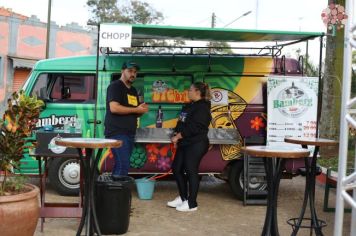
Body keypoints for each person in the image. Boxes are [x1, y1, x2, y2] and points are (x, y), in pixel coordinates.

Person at [168, 82, 212, 212]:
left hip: (197, 143)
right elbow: (181, 122)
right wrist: (176, 134)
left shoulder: (203, 108)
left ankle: (192, 204)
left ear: (197, 92)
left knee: (191, 170)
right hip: (185, 142)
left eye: (190, 90)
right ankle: (183, 198)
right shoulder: (189, 105)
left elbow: (195, 128)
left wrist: (178, 136)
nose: (188, 91)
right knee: (176, 169)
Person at [104, 61, 148, 176]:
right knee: (123, 164)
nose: (133, 74)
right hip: (117, 132)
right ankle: (117, 191)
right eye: (130, 71)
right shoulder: (115, 86)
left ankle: (115, 190)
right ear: (122, 71)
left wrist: (141, 111)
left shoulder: (133, 90)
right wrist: (136, 110)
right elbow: (114, 108)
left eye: (135, 72)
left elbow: (134, 112)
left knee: (121, 164)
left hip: (129, 133)